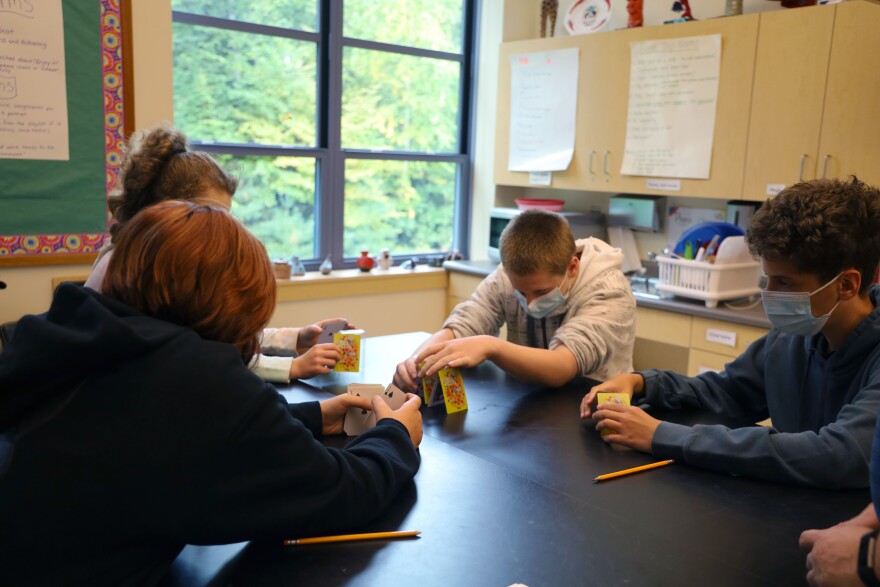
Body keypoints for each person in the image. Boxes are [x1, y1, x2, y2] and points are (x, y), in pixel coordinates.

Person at [0, 201, 422, 585]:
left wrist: (311, 417)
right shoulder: (191, 377)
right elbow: (342, 493)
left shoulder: (66, 333)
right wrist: (394, 434)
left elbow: (152, 429)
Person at [580, 178, 880, 488]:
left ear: (846, 285)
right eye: (767, 279)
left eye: (785, 283)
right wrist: (644, 383)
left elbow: (838, 454)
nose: (768, 294)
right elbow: (726, 393)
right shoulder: (791, 339)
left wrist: (660, 435)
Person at [84, 125, 345, 382]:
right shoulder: (132, 269)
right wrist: (290, 367)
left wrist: (294, 339)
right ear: (169, 212)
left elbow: (211, 335)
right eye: (207, 215)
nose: (219, 229)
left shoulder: (148, 255)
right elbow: (196, 358)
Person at [393, 209, 636, 391]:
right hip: (531, 402)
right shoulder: (508, 276)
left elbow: (562, 366)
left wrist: (491, 346)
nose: (529, 302)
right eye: (521, 292)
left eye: (540, 292)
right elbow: (466, 323)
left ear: (572, 267)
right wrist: (416, 362)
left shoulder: (608, 291)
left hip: (596, 410)